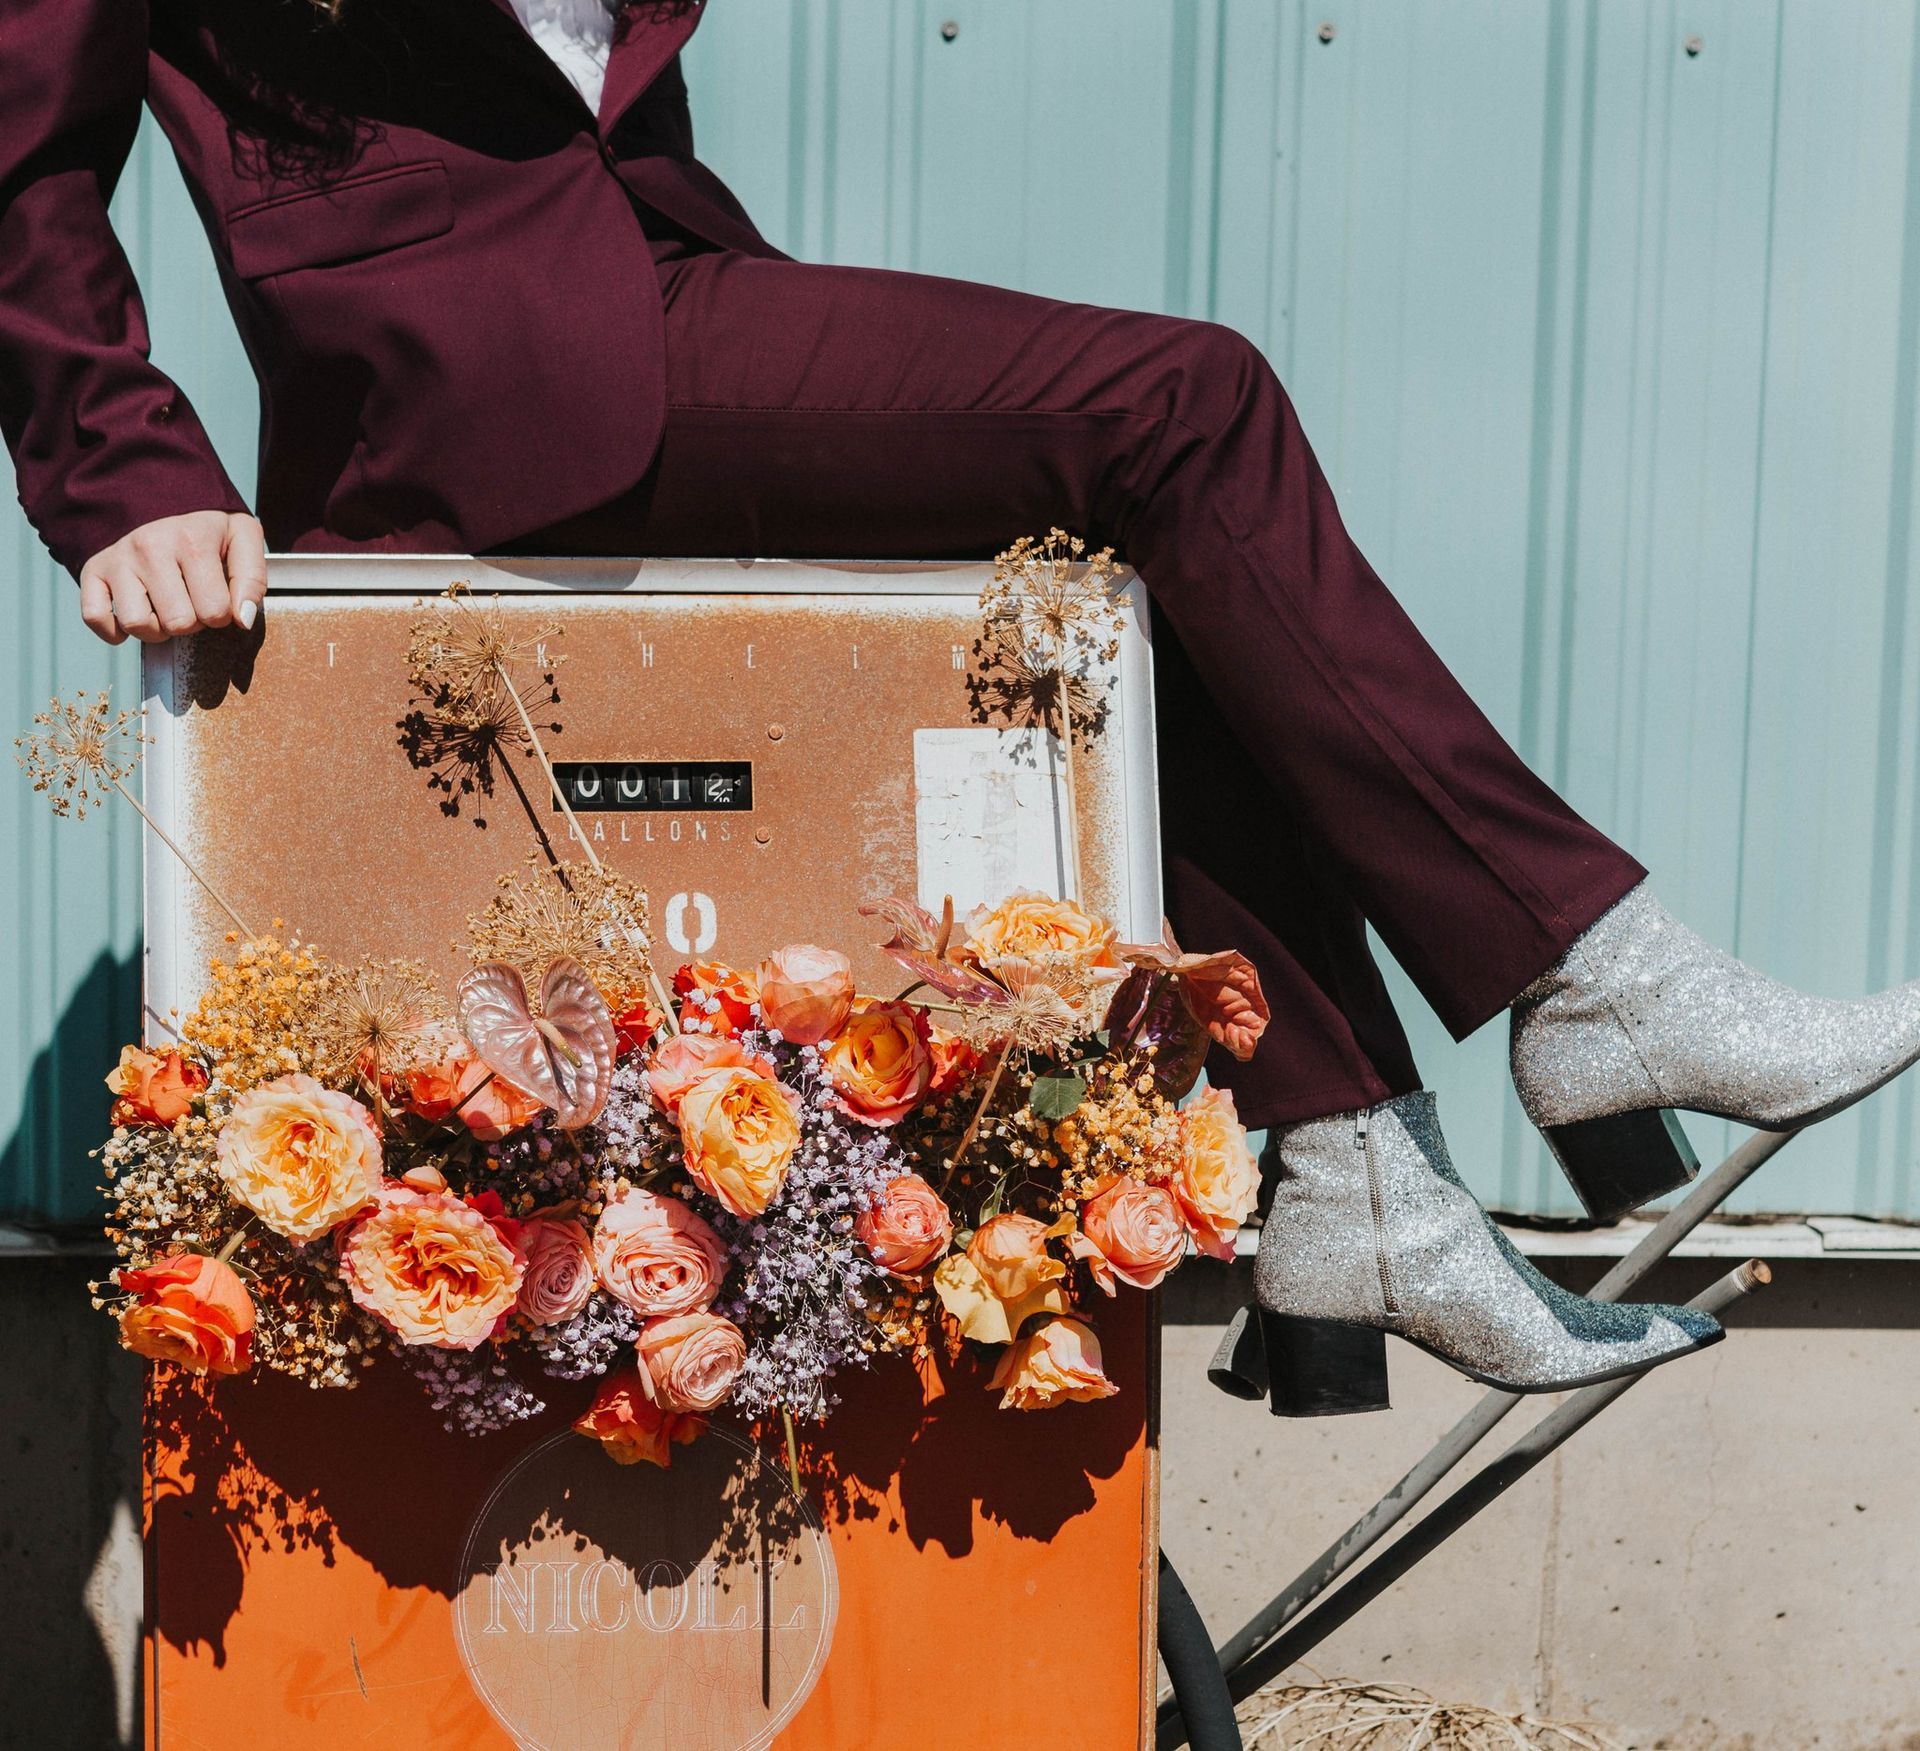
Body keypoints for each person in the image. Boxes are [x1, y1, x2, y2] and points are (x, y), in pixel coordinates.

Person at [5, 0, 1916, 1409]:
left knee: (1117, 568)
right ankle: (1589, 979)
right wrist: (123, 466)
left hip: (642, 279)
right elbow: (23, 144)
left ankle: (1357, 1169)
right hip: (461, 366)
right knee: (1181, 408)